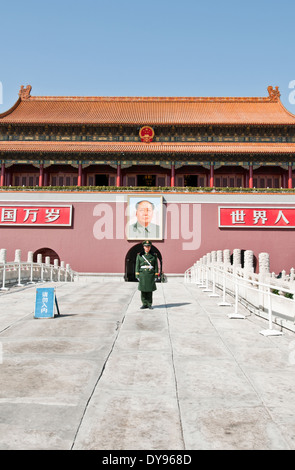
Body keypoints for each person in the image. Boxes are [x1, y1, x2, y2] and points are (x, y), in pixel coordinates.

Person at [135, 240, 159, 309]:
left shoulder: (154, 255)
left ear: (150, 247)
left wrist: (156, 275)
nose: (147, 248)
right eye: (146, 246)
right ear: (143, 247)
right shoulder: (140, 255)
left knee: (149, 290)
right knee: (143, 290)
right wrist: (137, 275)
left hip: (150, 274)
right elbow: (137, 265)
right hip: (142, 274)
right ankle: (144, 303)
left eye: (148, 247)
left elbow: (156, 266)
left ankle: (149, 304)